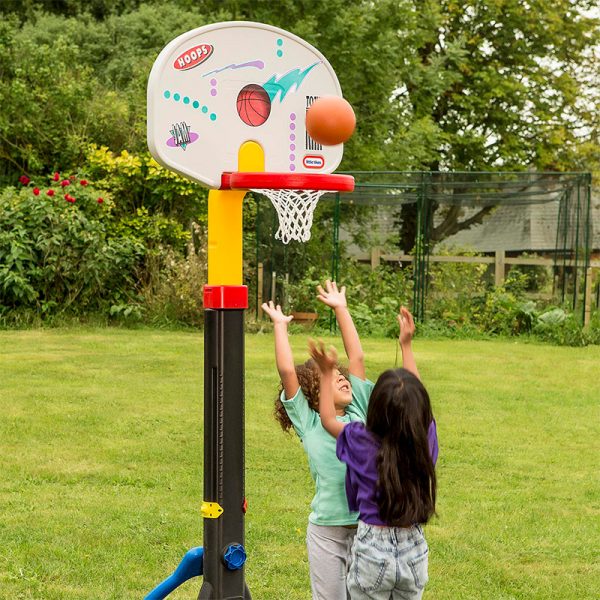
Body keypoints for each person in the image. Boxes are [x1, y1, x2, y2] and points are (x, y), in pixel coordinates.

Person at [309, 307, 438, 600]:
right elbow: (417, 402)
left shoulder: (361, 440)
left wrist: (328, 372)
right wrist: (406, 345)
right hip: (414, 549)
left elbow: (329, 420)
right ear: (420, 410)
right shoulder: (423, 442)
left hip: (371, 549)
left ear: (375, 407)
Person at [262, 280, 374, 600]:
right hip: (326, 532)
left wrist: (341, 308)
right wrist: (281, 326)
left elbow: (357, 357)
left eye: (340, 373)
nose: (341, 376)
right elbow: (287, 372)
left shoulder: (360, 411)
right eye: (332, 375)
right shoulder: (310, 422)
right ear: (314, 392)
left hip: (368, 528)